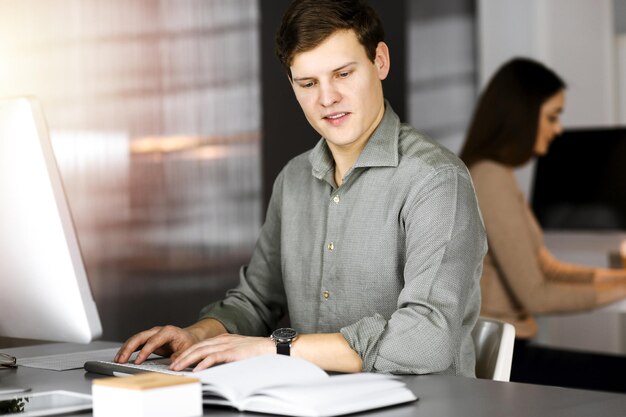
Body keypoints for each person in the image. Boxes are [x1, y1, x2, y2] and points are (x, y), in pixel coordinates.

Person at [116, 0, 486, 376]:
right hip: (307, 400)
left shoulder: (436, 180)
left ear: (380, 62)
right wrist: (197, 336)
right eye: (308, 83)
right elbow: (257, 301)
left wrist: (276, 349)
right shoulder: (293, 180)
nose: (327, 98)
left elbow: (427, 340)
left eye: (342, 74)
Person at [460, 57, 626, 392]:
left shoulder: (496, 174)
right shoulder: (489, 177)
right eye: (552, 117)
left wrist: (619, 278)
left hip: (511, 351)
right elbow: (536, 294)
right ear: (521, 118)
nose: (558, 129)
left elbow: (546, 267)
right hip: (501, 360)